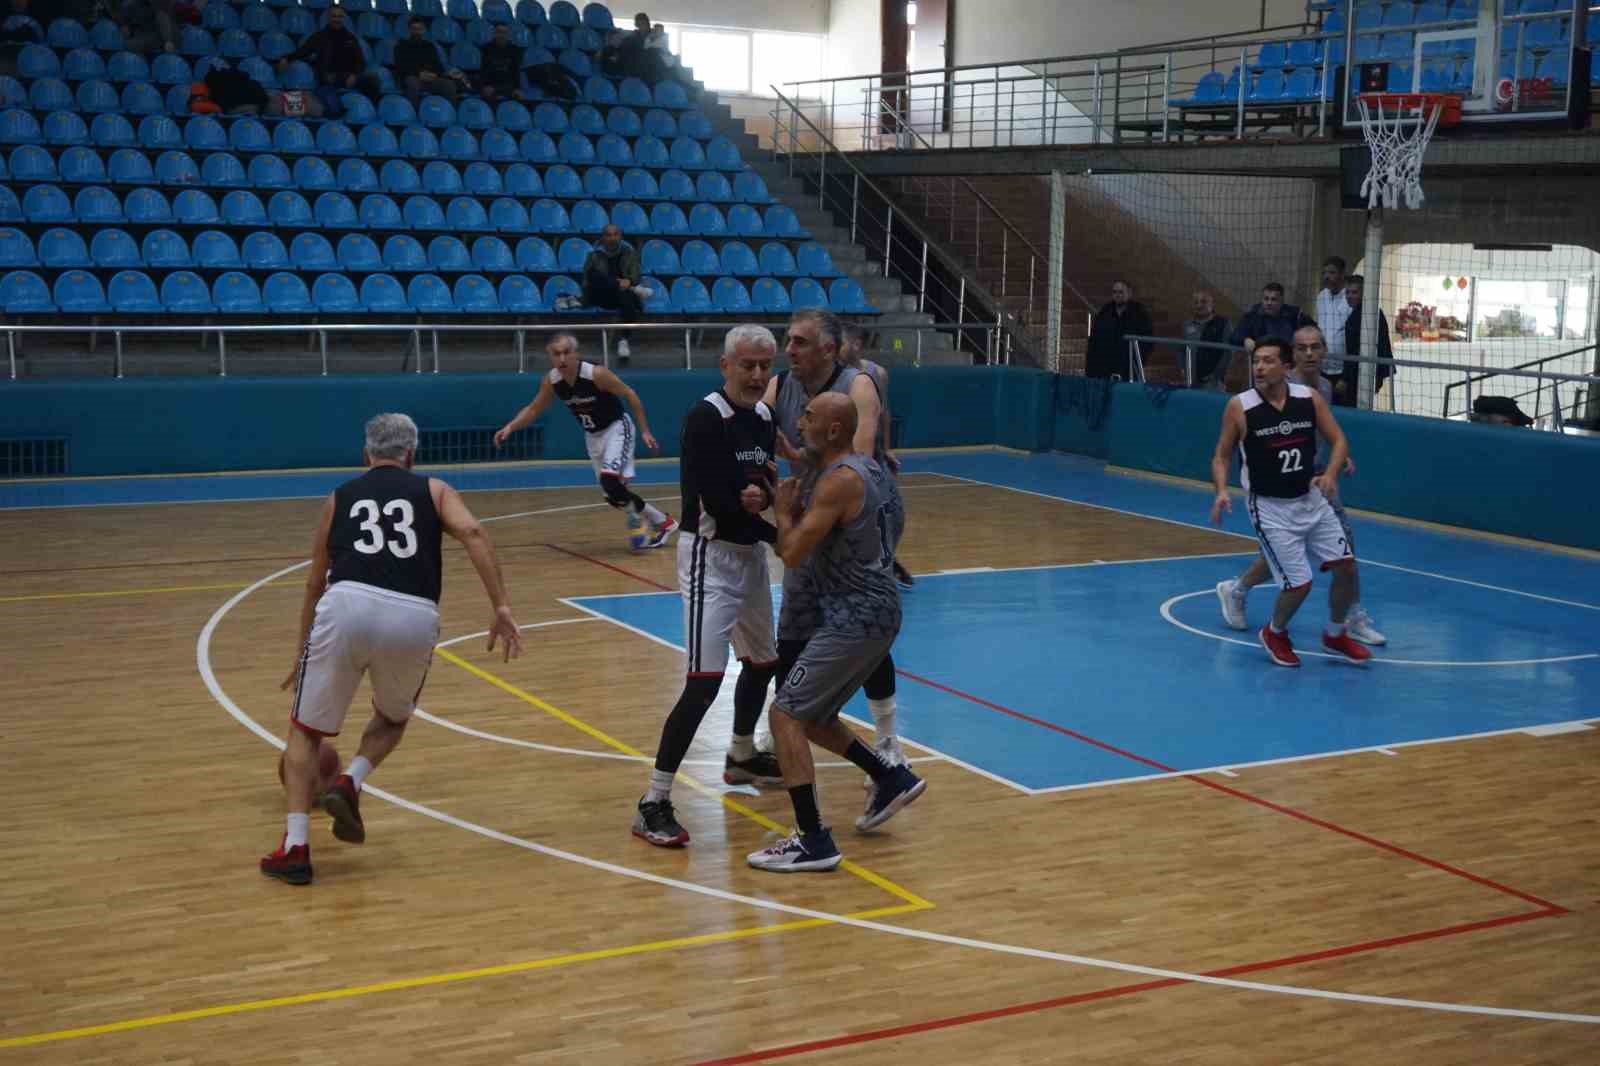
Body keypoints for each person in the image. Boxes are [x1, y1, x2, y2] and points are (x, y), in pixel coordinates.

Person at [260, 413, 522, 885]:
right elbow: (475, 534)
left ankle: (296, 846)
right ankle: (351, 780)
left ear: (366, 456)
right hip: (413, 614)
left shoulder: (339, 498)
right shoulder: (436, 490)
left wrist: (302, 650)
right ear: (411, 455)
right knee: (393, 718)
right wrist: (500, 604)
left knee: (305, 733)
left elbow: (314, 581)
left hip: (346, 606)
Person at [747, 392, 926, 872]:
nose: (799, 420)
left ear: (832, 431)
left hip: (856, 618)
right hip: (879, 611)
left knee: (784, 714)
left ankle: (812, 840)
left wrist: (783, 510)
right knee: (812, 715)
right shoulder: (872, 471)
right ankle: (888, 778)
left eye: (808, 417)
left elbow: (791, 554)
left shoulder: (839, 483)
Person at [632, 326, 787, 847]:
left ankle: (741, 755)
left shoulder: (764, 417)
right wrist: (782, 537)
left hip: (748, 558)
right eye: (748, 365)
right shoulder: (706, 418)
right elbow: (720, 505)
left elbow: (759, 488)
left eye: (765, 365)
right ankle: (653, 800)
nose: (758, 375)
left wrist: (764, 501)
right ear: (725, 365)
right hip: (709, 558)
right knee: (703, 681)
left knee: (764, 662)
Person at [763, 311, 909, 794]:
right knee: (799, 618)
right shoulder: (782, 385)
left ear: (829, 349)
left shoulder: (857, 385)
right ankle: (789, 718)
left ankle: (887, 739)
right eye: (787, 341)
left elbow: (856, 460)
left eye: (800, 342)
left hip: (857, 510)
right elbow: (753, 426)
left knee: (857, 612)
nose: (789, 349)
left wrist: (793, 501)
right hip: (816, 502)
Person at [1215, 325, 1385, 646]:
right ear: (1290, 357)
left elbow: (1322, 433)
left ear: (1324, 351)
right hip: (1276, 490)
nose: (1309, 353)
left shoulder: (1321, 388)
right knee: (1280, 558)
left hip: (1316, 481)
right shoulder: (1271, 388)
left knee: (1344, 554)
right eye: (1302, 348)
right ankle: (1240, 591)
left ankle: (1350, 616)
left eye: (1315, 347)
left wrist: (1335, 463)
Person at [492, 332, 676, 548]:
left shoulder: (595, 373)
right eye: (556, 354)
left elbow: (630, 394)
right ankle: (662, 522)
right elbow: (534, 409)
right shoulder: (552, 381)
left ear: (576, 354)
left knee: (610, 483)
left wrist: (645, 431)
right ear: (550, 356)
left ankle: (645, 522)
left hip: (617, 428)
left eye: (566, 353)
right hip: (593, 436)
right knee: (612, 495)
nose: (562, 358)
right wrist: (511, 426)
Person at [840, 321, 913, 590]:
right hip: (846, 457)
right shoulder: (832, 375)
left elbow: (883, 413)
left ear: (857, 344)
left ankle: (886, 558)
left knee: (893, 511)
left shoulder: (876, 372)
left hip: (875, 455)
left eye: (846, 340)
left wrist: (887, 448)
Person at [280, 6, 374, 117]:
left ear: (343, 18)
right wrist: (287, 58)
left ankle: (372, 116)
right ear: (328, 18)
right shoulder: (319, 37)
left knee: (373, 81)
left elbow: (360, 61)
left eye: (340, 16)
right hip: (328, 77)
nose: (337, 19)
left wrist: (354, 75)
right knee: (329, 102)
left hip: (348, 76)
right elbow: (302, 51)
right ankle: (334, 113)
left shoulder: (350, 38)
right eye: (334, 16)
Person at [581, 224, 650, 362]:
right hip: (602, 295)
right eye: (608, 235)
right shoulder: (594, 256)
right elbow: (587, 280)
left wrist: (629, 282)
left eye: (615, 234)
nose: (612, 238)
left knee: (627, 296)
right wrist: (618, 283)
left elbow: (636, 275)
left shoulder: (629, 253)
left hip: (622, 295)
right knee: (594, 274)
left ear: (620, 236)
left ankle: (623, 341)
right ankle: (628, 288)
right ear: (603, 237)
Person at [1341, 274, 1393, 407]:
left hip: (1362, 374)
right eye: (1347, 292)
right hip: (1365, 371)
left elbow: (1356, 350)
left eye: (1354, 292)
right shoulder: (1367, 312)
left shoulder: (1366, 314)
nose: (1350, 296)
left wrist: (1345, 378)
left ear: (1363, 293)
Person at [1085, 280, 1154, 380]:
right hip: (1105, 367)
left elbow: (1147, 339)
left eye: (1121, 292)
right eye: (1115, 292)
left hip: (1128, 366)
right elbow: (1094, 339)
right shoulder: (1105, 312)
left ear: (1129, 293)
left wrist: (1137, 360)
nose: (1118, 295)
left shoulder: (1139, 313)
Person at [394, 15, 464, 105]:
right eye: (414, 29)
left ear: (424, 30)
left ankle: (450, 113)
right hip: (413, 78)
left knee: (448, 85)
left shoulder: (430, 46)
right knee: (412, 83)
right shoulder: (400, 47)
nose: (417, 32)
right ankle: (413, 114)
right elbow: (401, 67)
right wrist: (419, 74)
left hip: (431, 79)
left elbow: (438, 66)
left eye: (419, 29)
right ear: (409, 30)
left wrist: (434, 75)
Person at [1228, 283, 1311, 354]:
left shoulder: (1295, 314)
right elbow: (1234, 337)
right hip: (1264, 360)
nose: (1269, 303)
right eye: (1266, 299)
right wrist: (1245, 339)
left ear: (1282, 301)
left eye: (1273, 299)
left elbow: (1313, 331)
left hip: (1288, 360)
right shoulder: (1253, 314)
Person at [1314, 256, 1352, 403]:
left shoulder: (1349, 298)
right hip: (1323, 367)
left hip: (1344, 369)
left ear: (1342, 274)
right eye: (1325, 273)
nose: (1327, 276)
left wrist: (1346, 377)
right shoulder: (1321, 297)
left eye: (1331, 272)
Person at [1182, 289, 1232, 390]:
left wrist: (1217, 375)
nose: (1199, 305)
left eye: (1204, 301)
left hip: (1213, 381)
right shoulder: (1187, 324)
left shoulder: (1223, 324)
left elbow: (1228, 353)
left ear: (1212, 304)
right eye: (1196, 302)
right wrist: (1182, 368)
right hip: (1191, 380)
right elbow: (1181, 349)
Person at [477, 21, 523, 102]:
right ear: (494, 34)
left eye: (504, 32)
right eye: (499, 32)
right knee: (488, 96)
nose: (501, 35)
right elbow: (483, 70)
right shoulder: (485, 49)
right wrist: (485, 86)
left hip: (507, 85)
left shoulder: (515, 50)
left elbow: (516, 71)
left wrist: (517, 88)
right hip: (491, 84)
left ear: (508, 34)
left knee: (518, 98)